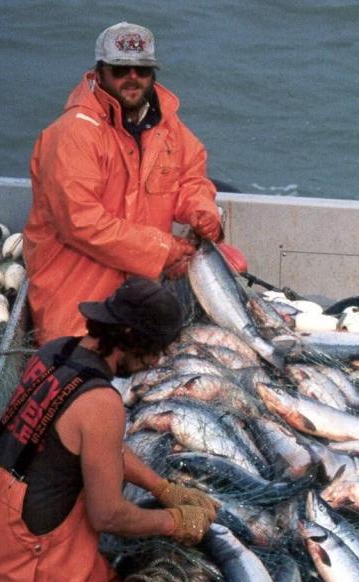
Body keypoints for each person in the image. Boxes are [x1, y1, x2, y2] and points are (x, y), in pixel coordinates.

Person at [0, 277, 218, 582]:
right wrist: (176, 522)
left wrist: (163, 488)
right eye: (155, 349)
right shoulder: (101, 402)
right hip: (28, 557)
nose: (156, 361)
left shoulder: (55, 352)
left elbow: (101, 447)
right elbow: (109, 516)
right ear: (131, 336)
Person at [22, 22, 226, 345]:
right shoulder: (73, 134)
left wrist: (201, 209)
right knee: (88, 378)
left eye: (142, 69)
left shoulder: (166, 126)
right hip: (77, 309)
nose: (132, 77)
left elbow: (191, 175)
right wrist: (163, 251)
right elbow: (81, 222)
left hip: (137, 298)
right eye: (120, 69)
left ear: (153, 73)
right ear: (100, 71)